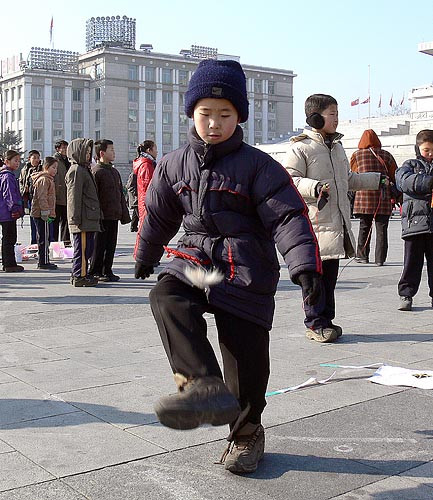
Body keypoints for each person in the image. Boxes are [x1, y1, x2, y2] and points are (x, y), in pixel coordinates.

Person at [134, 59, 322, 474]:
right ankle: (202, 385)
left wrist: (304, 264)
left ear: (239, 117)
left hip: (246, 265)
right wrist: (147, 255)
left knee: (245, 359)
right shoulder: (172, 164)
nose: (214, 123)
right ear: (191, 114)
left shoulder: (259, 166)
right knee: (166, 295)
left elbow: (287, 216)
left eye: (225, 114)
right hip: (196, 256)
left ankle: (246, 433)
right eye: (206, 114)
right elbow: (158, 215)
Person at [285, 94, 385, 343]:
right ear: (315, 117)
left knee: (329, 279)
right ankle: (315, 323)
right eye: (333, 115)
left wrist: (376, 180)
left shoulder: (338, 147)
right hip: (313, 225)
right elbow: (289, 180)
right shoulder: (301, 147)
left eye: (338, 115)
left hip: (336, 225)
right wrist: (314, 186)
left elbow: (348, 179)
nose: (337, 120)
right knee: (313, 280)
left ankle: (326, 320)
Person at [396, 129, 433, 311]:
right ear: (418, 149)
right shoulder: (410, 165)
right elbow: (403, 181)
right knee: (412, 262)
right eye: (427, 150)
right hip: (414, 224)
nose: (430, 154)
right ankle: (406, 294)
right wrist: (428, 182)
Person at [350, 129, 398, 266]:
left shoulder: (357, 155)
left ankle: (362, 256)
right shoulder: (386, 155)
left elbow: (353, 175)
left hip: (363, 198)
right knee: (382, 230)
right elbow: (394, 175)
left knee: (364, 227)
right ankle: (380, 259)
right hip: (383, 198)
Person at [89, 139, 130, 282]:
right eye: (111, 150)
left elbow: (120, 194)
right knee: (99, 245)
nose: (114, 152)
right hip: (101, 216)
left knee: (111, 245)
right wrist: (97, 214)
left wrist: (124, 214)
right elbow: (94, 197)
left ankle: (107, 270)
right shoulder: (96, 172)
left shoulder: (114, 171)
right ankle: (96, 270)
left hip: (113, 214)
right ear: (102, 153)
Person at [65, 138, 100, 287]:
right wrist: (75, 218)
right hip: (82, 219)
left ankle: (80, 273)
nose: (88, 155)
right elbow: (74, 196)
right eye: (85, 152)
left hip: (88, 217)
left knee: (87, 248)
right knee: (83, 249)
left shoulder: (83, 169)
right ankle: (80, 275)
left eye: (88, 152)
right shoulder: (76, 170)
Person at [30, 157, 58, 270]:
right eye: (53, 167)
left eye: (56, 168)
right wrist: (45, 211)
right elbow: (42, 197)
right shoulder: (44, 180)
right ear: (46, 167)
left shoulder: (49, 179)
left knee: (44, 237)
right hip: (42, 214)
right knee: (43, 237)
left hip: (44, 212)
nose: (55, 170)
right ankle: (43, 261)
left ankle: (45, 259)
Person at [0, 150, 24, 272]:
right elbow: (9, 195)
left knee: (7, 238)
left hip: (5, 212)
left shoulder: (7, 175)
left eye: (19, 161)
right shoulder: (7, 176)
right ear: (6, 161)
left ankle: (7, 263)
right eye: (15, 161)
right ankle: (9, 264)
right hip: (7, 213)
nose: (17, 163)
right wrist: (15, 209)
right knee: (10, 238)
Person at [19, 150, 41, 244]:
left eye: (38, 157)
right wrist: (24, 190)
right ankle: (33, 241)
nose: (36, 160)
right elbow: (21, 181)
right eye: (34, 157)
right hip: (29, 198)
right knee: (32, 220)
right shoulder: (24, 169)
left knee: (39, 222)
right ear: (29, 159)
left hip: (39, 198)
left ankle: (41, 241)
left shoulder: (41, 169)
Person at [132, 140, 157, 224]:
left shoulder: (148, 163)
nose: (157, 151)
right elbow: (148, 187)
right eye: (155, 149)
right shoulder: (146, 165)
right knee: (147, 229)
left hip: (146, 202)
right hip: (148, 203)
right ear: (148, 150)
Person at [53, 140, 71, 246]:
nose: (65, 150)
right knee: (55, 223)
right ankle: (55, 245)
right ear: (58, 149)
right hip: (57, 195)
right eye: (63, 148)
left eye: (66, 148)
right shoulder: (55, 161)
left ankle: (66, 243)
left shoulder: (68, 161)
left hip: (67, 195)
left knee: (66, 221)